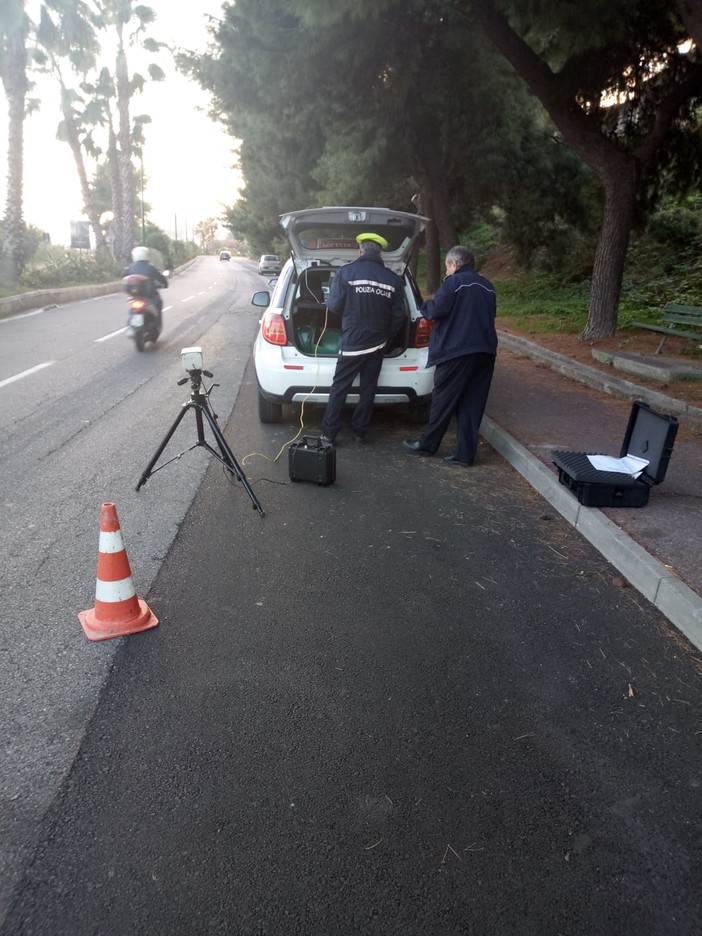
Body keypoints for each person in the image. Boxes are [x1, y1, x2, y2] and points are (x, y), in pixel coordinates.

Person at [403, 245, 497, 466]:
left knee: (443, 400)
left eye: (447, 266)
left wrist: (424, 306)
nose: (446, 270)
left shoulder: (453, 283)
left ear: (455, 264)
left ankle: (427, 444)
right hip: (485, 352)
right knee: (472, 404)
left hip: (456, 352)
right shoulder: (488, 286)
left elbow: (435, 311)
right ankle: (464, 455)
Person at [321, 232, 406, 445]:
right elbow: (399, 316)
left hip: (352, 342)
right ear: (380, 254)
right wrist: (387, 337)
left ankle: (329, 434)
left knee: (339, 387)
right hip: (377, 344)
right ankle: (360, 433)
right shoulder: (392, 279)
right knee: (368, 389)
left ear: (360, 251)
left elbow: (333, 306)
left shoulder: (347, 272)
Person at [125, 246, 168, 327]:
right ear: (146, 255)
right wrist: (165, 284)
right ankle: (157, 325)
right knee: (158, 303)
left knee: (131, 307)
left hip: (134, 296)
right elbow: (161, 278)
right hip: (149, 296)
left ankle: (131, 323)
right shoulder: (150, 268)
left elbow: (124, 277)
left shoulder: (130, 268)